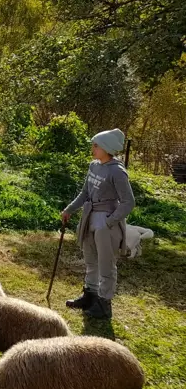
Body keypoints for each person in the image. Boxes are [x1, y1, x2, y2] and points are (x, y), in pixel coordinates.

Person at [61, 128, 136, 320]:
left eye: (96, 145)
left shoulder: (117, 172)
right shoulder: (94, 166)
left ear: (107, 147)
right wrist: (69, 209)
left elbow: (128, 202)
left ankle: (104, 304)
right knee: (91, 259)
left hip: (105, 222)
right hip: (89, 218)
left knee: (106, 264)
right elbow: (85, 192)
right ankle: (90, 295)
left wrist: (110, 222)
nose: (92, 148)